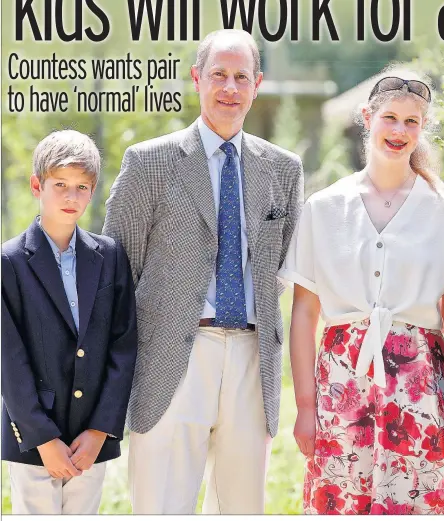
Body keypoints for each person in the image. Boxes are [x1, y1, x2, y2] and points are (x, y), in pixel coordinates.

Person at [102, 29, 304, 514]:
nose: (229, 88)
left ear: (257, 84)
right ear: (197, 78)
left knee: (240, 508)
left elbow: (283, 266)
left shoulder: (284, 169)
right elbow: (116, 273)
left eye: (241, 77)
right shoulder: (149, 162)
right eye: (218, 75)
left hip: (252, 362)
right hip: (171, 357)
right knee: (162, 505)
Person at [279, 74, 444, 514]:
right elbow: (304, 315)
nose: (399, 131)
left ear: (423, 129)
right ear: (367, 118)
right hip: (341, 385)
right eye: (390, 118)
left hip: (420, 387)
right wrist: (306, 406)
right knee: (343, 503)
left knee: (414, 503)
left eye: (411, 122)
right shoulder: (324, 207)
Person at [1, 130, 137, 515]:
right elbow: (9, 360)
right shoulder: (8, 262)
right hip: (33, 441)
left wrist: (99, 431)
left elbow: (123, 346)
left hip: (88, 441)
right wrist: (42, 438)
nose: (70, 196)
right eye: (59, 184)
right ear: (36, 185)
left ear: (92, 191)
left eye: (82, 187)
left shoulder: (109, 256)